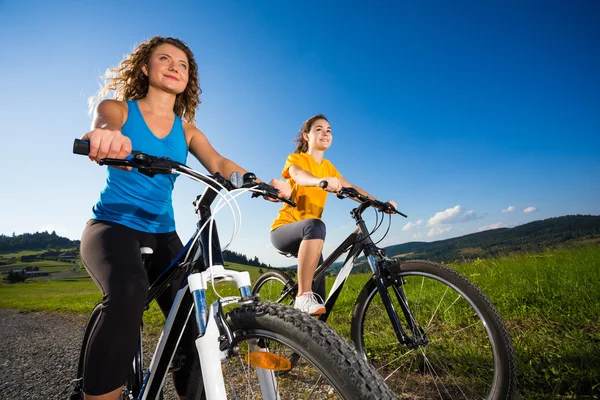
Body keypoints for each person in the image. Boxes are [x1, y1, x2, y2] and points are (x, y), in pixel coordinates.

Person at [79, 36, 290, 400]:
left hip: (164, 233)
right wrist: (106, 137)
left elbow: (221, 164)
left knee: (196, 324)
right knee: (129, 290)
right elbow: (103, 123)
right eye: (165, 59)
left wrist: (258, 183)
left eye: (184, 64)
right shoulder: (119, 109)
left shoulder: (187, 129)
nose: (175, 66)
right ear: (145, 67)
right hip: (112, 226)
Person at [270, 114, 396, 315]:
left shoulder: (328, 167)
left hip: (312, 237)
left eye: (328, 130)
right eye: (319, 129)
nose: (325, 133)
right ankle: (302, 295)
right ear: (306, 136)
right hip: (284, 229)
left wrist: (380, 204)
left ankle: (303, 339)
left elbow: (352, 188)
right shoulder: (296, 159)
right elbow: (298, 175)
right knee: (316, 225)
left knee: (320, 306)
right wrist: (320, 181)